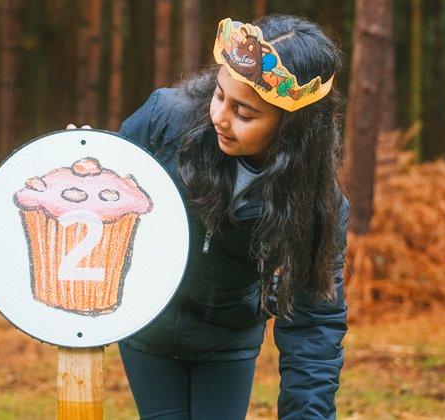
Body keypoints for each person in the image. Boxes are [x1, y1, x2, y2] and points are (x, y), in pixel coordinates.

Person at [113, 15, 349, 419]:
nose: (221, 116)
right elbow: (107, 184)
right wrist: (78, 158)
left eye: (244, 113)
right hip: (148, 327)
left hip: (228, 339)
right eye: (219, 95)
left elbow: (314, 322)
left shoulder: (314, 202)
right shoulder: (166, 119)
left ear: (292, 128)